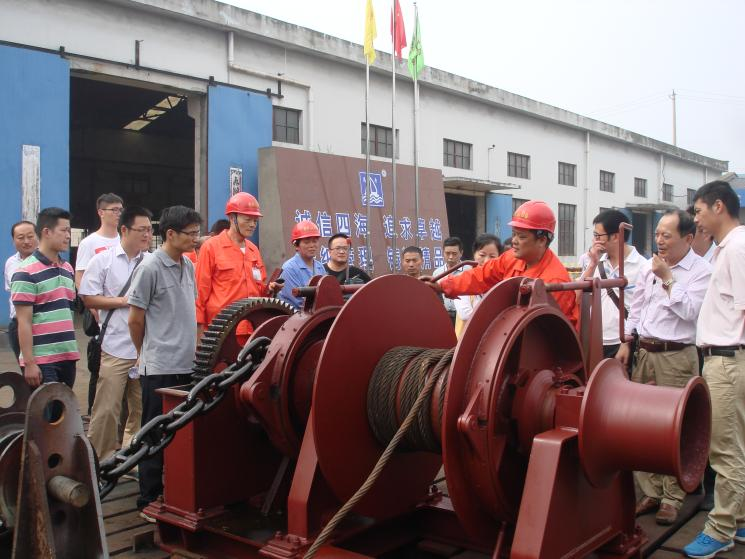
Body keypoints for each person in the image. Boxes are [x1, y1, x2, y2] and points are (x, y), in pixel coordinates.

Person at [615, 209, 710, 526]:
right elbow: (638, 306)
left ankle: (672, 496)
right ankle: (651, 491)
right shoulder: (649, 267)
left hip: (677, 355)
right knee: (641, 423)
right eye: (657, 234)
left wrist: (668, 278)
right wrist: (627, 341)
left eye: (667, 235)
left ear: (688, 238)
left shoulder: (701, 271)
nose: (660, 240)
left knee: (676, 426)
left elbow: (691, 313)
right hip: (646, 351)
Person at [683, 181, 745, 559]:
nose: (696, 218)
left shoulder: (736, 248)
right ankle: (738, 519)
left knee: (724, 450)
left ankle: (720, 529)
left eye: (699, 210)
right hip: (727, 357)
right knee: (736, 443)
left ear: (718, 206)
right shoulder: (728, 248)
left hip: (728, 359)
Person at [128, 205, 200, 520]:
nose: (196, 239)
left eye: (197, 233)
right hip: (159, 368)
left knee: (181, 434)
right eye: (191, 233)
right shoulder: (149, 268)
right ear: (170, 234)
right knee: (154, 434)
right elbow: (135, 319)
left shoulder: (189, 266)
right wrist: (144, 352)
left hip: (187, 366)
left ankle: (175, 493)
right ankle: (147, 498)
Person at [424, 200, 578, 327]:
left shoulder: (554, 281)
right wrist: (442, 285)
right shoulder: (511, 258)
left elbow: (549, 331)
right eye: (514, 234)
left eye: (521, 237)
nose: (514, 241)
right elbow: (480, 276)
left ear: (542, 240)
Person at [79, 206, 153, 461]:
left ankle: (134, 459)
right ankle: (101, 460)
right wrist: (123, 301)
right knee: (107, 409)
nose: (147, 235)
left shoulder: (151, 262)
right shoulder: (103, 260)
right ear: (124, 230)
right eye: (141, 230)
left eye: (149, 230)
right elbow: (88, 297)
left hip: (145, 349)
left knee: (141, 408)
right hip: (115, 346)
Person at [11, 208, 79, 388]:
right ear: (47, 232)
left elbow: (67, 312)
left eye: (69, 231)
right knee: (46, 406)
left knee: (65, 405)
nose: (68, 236)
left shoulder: (67, 269)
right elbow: (23, 322)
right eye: (64, 230)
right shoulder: (25, 272)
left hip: (67, 355)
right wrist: (29, 363)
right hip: (42, 360)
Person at [196, 193, 277, 338]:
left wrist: (269, 289)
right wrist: (199, 334)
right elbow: (200, 294)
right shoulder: (211, 247)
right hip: (221, 331)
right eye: (248, 219)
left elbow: (259, 289)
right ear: (232, 218)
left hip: (251, 329)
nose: (252, 225)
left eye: (255, 221)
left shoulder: (253, 250)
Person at [578, 210, 645, 358]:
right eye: (594, 235)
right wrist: (593, 264)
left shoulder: (642, 266)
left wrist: (626, 343)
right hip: (596, 339)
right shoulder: (597, 263)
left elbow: (643, 310)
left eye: (598, 236)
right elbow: (577, 297)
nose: (594, 241)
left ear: (615, 236)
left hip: (623, 342)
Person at [451, 234, 500, 338]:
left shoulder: (501, 282)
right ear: (474, 254)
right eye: (482, 255)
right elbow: (465, 314)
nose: (486, 261)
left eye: (492, 256)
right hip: (466, 340)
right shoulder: (462, 279)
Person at [4, 221, 38, 364]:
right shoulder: (10, 263)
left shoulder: (47, 261)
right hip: (17, 324)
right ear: (13, 240)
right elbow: (11, 290)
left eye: (30, 236)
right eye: (20, 237)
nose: (26, 241)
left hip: (40, 323)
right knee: (26, 369)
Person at [75, 193, 124, 288]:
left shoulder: (125, 241)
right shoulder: (88, 243)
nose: (119, 214)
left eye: (121, 210)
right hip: (98, 296)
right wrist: (90, 296)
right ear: (101, 213)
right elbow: (80, 278)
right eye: (114, 210)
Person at [278, 220, 326, 310]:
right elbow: (299, 302)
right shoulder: (289, 268)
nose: (312, 245)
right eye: (307, 242)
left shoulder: (320, 267)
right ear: (296, 245)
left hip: (317, 314)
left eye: (315, 241)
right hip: (294, 316)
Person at [432, 237, 470, 324]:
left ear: (461, 253)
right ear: (443, 252)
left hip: (462, 317)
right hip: (444, 315)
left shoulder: (469, 270)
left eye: (454, 254)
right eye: (447, 253)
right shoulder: (437, 273)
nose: (450, 257)